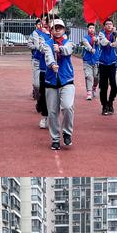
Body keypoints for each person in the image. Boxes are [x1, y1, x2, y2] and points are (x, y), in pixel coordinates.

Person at [42, 18, 75, 151]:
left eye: (60, 28)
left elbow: (68, 50)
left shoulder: (69, 42)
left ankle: (67, 132)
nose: (57, 31)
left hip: (66, 80)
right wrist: (52, 64)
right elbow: (48, 55)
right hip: (51, 80)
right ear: (51, 30)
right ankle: (55, 138)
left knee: (67, 106)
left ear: (64, 29)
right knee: (52, 112)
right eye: (55, 28)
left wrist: (59, 49)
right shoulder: (47, 43)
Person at [35, 15, 52, 129]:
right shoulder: (39, 34)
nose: (47, 22)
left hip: (58, 71)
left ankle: (53, 116)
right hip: (44, 68)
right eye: (45, 20)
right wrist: (48, 37)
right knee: (44, 93)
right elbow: (40, 48)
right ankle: (45, 116)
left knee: (55, 95)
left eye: (49, 20)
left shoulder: (61, 35)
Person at [98, 18, 117, 115]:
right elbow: (103, 42)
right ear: (104, 26)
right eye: (107, 24)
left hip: (113, 63)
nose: (109, 25)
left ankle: (110, 102)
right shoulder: (101, 34)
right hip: (103, 63)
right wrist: (111, 43)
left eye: (111, 24)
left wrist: (115, 36)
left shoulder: (115, 34)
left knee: (114, 85)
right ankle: (104, 105)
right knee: (103, 86)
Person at [82, 23, 100, 100]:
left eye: (93, 28)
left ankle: (94, 87)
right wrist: (91, 49)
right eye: (90, 28)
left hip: (96, 60)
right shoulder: (85, 38)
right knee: (88, 76)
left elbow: (99, 43)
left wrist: (96, 41)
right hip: (87, 60)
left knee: (97, 77)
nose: (91, 29)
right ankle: (89, 92)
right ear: (88, 29)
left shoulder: (97, 37)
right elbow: (86, 45)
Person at [27, 18, 44, 101]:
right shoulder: (33, 34)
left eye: (42, 24)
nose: (40, 25)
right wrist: (35, 48)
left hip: (45, 60)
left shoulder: (48, 33)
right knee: (36, 81)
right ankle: (36, 92)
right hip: (36, 58)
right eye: (38, 24)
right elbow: (29, 44)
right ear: (36, 25)